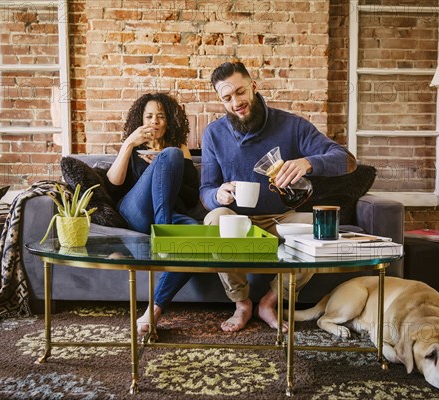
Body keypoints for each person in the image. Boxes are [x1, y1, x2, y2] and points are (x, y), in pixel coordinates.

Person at [200, 61, 357, 333]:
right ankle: (242, 303)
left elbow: (347, 161)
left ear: (254, 87)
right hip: (239, 221)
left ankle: (269, 302)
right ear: (220, 100)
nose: (236, 102)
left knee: (319, 229)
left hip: (283, 218)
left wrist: (307, 163)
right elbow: (205, 191)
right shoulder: (214, 134)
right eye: (227, 98)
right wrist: (218, 194)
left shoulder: (292, 126)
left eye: (240, 92)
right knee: (215, 218)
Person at [106, 93, 198, 336]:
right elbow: (114, 183)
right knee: (169, 156)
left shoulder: (180, 150)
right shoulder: (133, 146)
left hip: (169, 213)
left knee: (196, 239)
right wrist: (128, 145)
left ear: (168, 121)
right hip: (135, 211)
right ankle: (164, 234)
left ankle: (154, 311)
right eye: (149, 116)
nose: (154, 121)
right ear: (140, 119)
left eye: (160, 116)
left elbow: (190, 197)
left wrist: (163, 174)